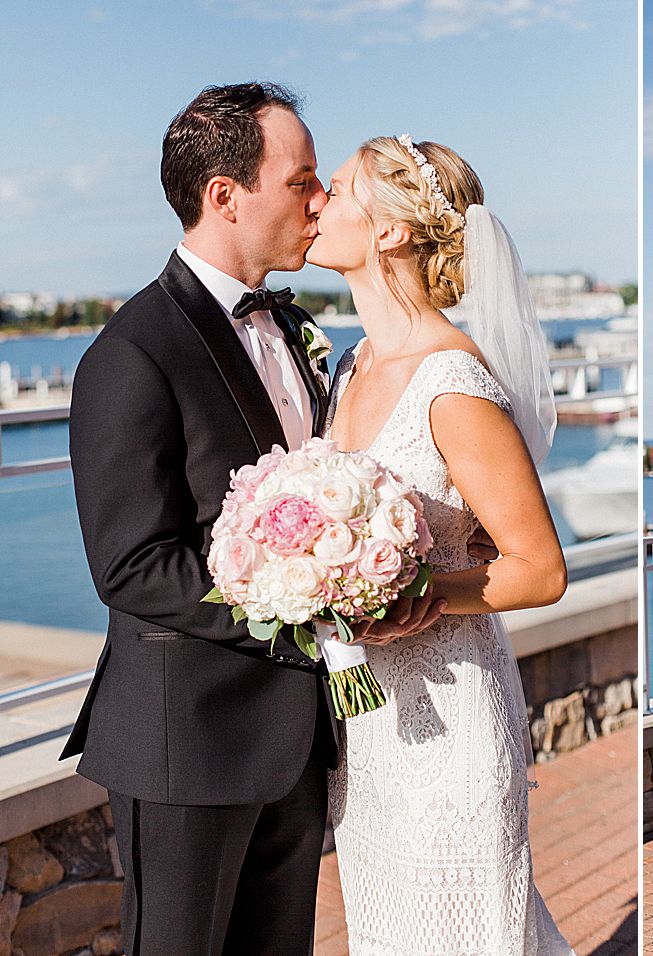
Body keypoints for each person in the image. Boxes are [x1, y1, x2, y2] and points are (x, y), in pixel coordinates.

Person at [64, 82, 373, 953]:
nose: (320, 200)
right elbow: (132, 565)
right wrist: (306, 614)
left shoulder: (296, 326)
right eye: (302, 179)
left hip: (298, 741)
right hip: (185, 742)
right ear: (225, 196)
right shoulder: (130, 354)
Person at [305, 134, 573, 954]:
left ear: (389, 231)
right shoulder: (350, 366)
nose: (317, 199)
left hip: (451, 716)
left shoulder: (453, 385)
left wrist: (418, 597)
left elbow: (540, 568)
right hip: (371, 722)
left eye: (340, 188)